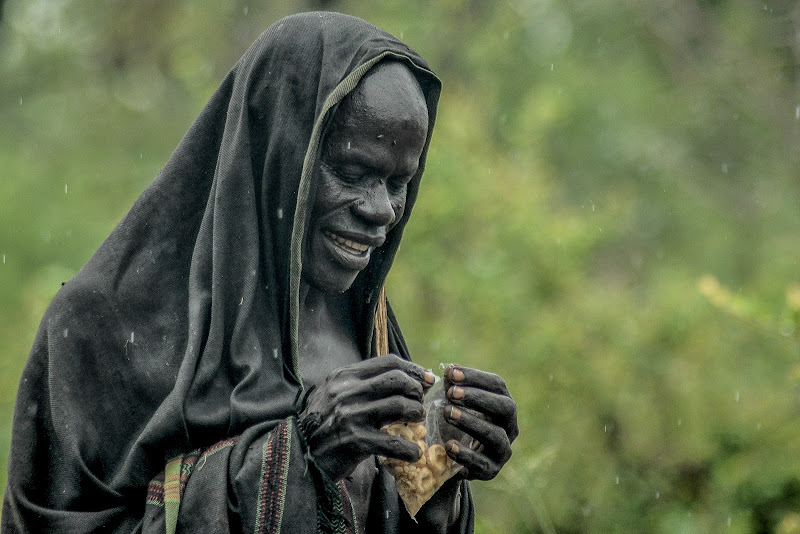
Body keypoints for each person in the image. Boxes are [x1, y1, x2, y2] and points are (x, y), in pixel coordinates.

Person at [2, 12, 517, 534]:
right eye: (352, 172)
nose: (382, 209)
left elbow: (371, 509)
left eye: (398, 182)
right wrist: (302, 452)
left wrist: (442, 482)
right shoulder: (101, 327)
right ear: (280, 153)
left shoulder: (365, 320)